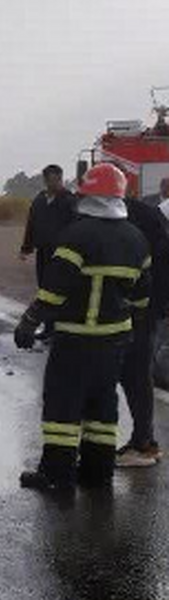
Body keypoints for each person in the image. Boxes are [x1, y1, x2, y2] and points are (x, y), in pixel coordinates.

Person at [13, 163, 150, 492]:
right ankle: (96, 473)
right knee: (102, 408)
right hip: (115, 341)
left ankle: (56, 475)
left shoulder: (76, 236)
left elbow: (53, 290)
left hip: (75, 338)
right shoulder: (136, 239)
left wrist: (29, 322)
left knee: (62, 406)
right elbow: (142, 298)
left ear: (87, 196)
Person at [117, 194, 169, 467]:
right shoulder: (148, 214)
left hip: (143, 309)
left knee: (136, 373)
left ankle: (143, 443)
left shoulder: (136, 219)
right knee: (137, 373)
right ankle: (143, 440)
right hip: (150, 306)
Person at [20, 164, 77, 304]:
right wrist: (26, 248)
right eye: (52, 180)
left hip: (63, 253)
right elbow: (31, 224)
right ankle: (47, 319)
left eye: (59, 179)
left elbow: (77, 228)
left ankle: (58, 319)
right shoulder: (39, 201)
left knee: (60, 288)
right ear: (45, 181)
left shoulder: (70, 201)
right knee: (44, 287)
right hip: (43, 252)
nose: (56, 183)